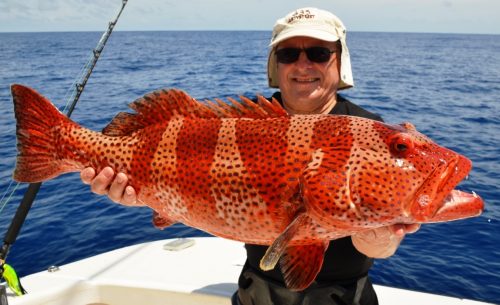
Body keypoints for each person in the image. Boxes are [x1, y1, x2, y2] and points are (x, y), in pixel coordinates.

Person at [80, 7, 420, 305]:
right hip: (255, 292)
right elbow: (189, 186)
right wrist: (142, 193)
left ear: (339, 61)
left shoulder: (370, 133)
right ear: (275, 64)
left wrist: (381, 234)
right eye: (288, 54)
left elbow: (379, 248)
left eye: (318, 52)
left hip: (346, 297)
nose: (303, 65)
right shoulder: (243, 125)